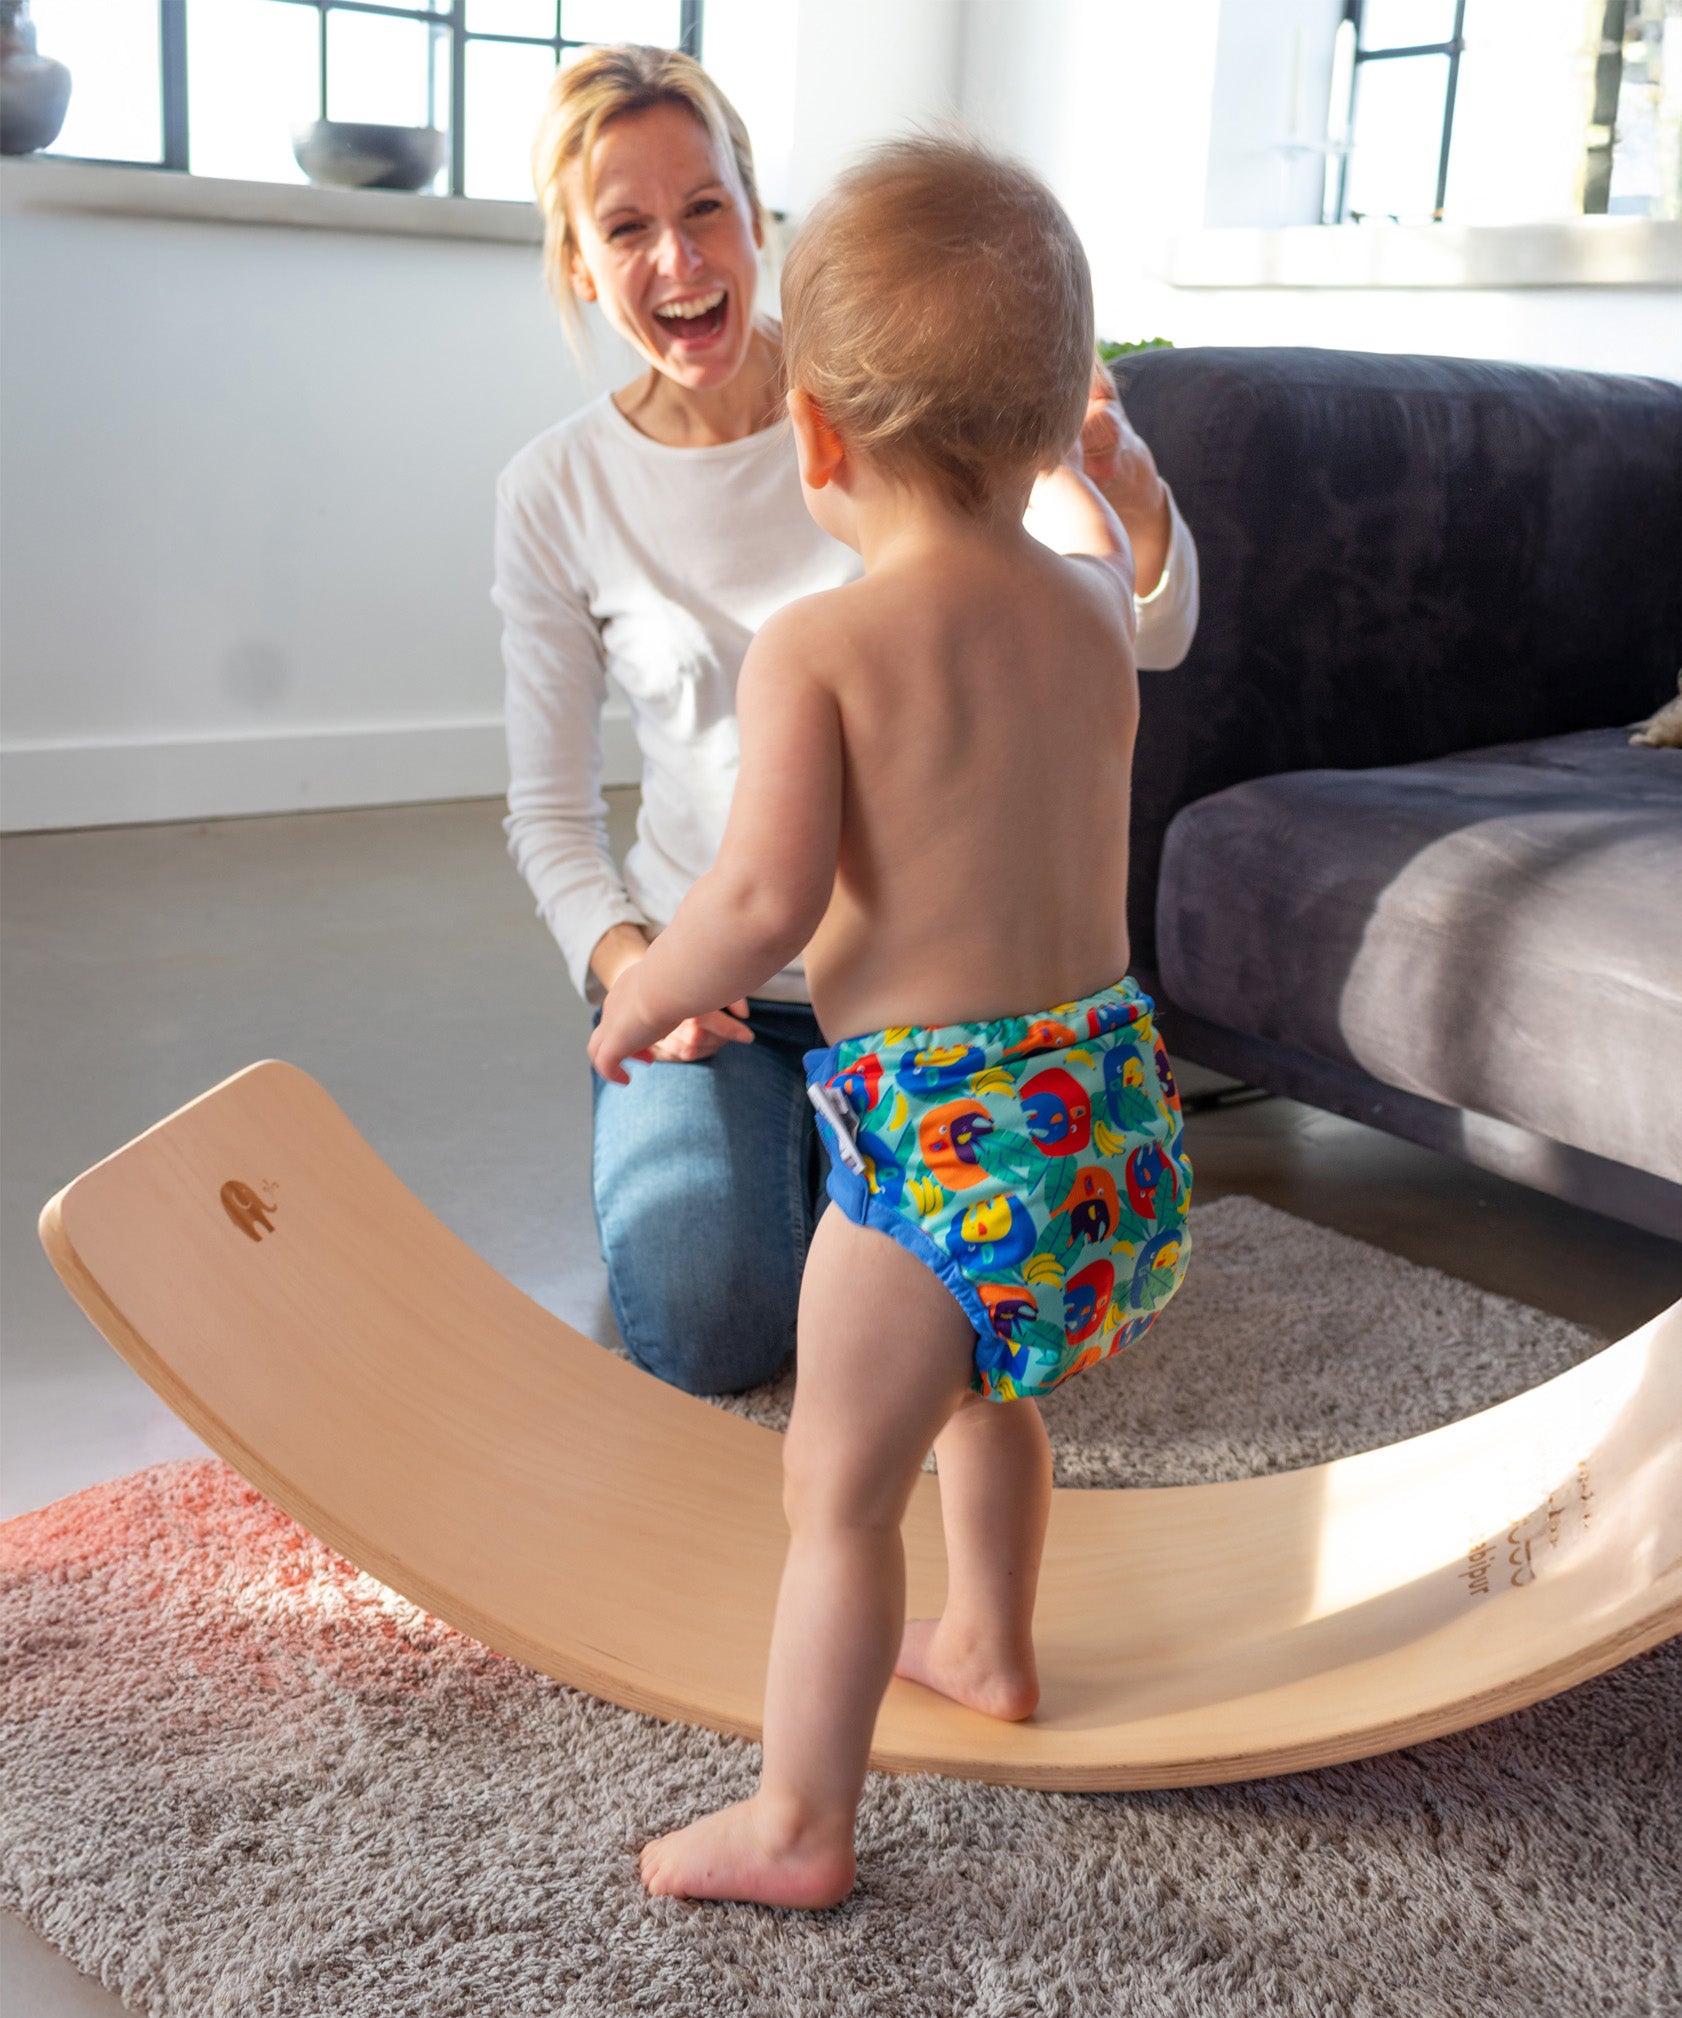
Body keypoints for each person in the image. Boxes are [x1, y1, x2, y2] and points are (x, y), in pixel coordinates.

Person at [587, 133, 1192, 1909]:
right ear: (1040, 430)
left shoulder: (821, 649)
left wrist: (644, 987)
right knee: (988, 1397)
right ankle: (992, 1642)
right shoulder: (1091, 608)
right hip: (1101, 1124)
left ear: (821, 437)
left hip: (932, 1144)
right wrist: (1116, 485)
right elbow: (1109, 566)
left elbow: (761, 907)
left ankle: (797, 1821)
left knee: (835, 1496)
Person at [495, 45, 1200, 1399]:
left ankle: (858, 1183)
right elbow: (554, 816)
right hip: (739, 1002)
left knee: (852, 1441)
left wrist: (1116, 473)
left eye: (703, 208)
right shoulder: (555, 490)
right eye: (624, 227)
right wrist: (635, 969)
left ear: (756, 217)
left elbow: (1150, 624)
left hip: (938, 1016)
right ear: (581, 262)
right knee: (728, 1320)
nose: (677, 257)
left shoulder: (900, 408)